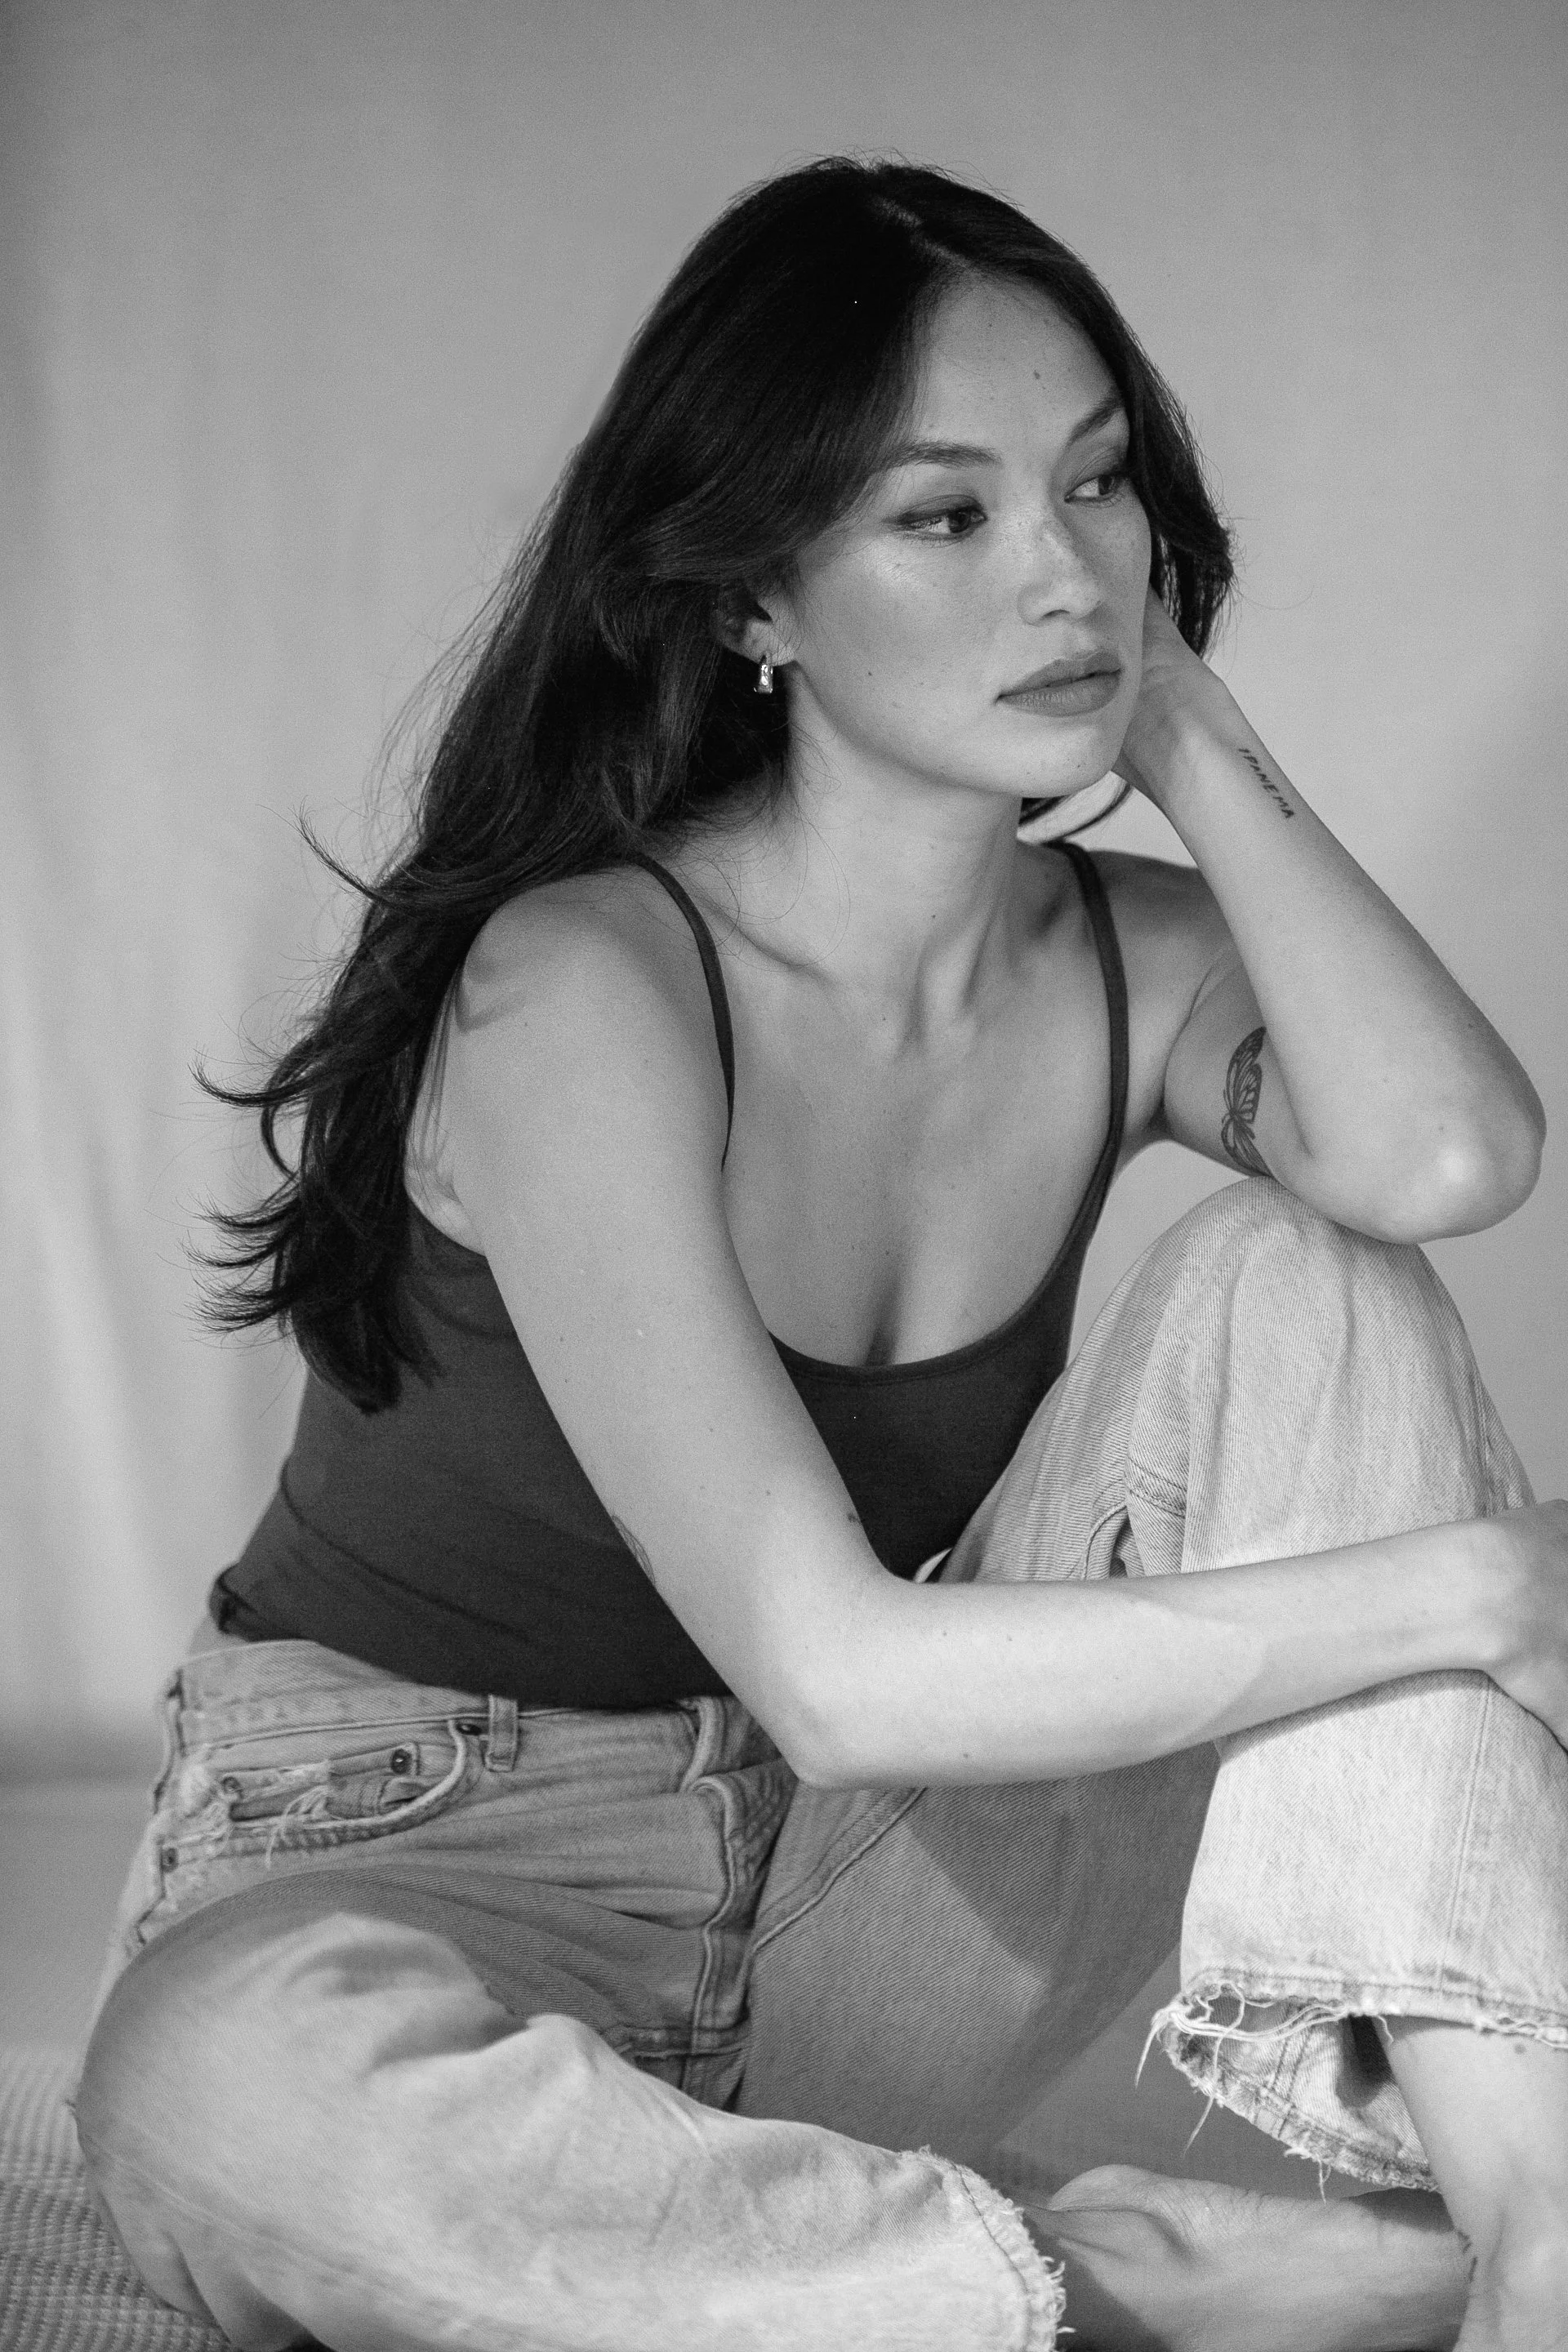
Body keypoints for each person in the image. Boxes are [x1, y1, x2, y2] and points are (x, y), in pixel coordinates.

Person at [74, 157, 1568, 2352]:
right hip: (420, 1875)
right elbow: (837, 1669)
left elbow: (1442, 1154)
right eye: (942, 516)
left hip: (868, 1910)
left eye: (1095, 487)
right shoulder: (577, 988)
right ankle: (1078, 2296)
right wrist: (1480, 1586)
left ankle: (1533, 2235)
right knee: (217, 2088)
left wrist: (1191, 737)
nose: (1060, 568)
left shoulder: (1124, 967)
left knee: (1317, 1269)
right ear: (753, 600)